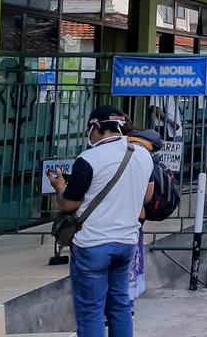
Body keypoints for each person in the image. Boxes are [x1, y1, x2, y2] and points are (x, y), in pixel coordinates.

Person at [49, 106, 154, 337]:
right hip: (127, 243)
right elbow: (147, 196)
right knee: (120, 305)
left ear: (96, 127)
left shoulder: (88, 158)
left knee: (91, 311)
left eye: (90, 129)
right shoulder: (143, 154)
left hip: (93, 245)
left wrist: (59, 188)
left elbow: (69, 204)